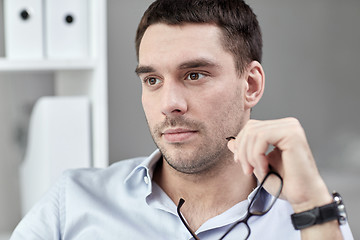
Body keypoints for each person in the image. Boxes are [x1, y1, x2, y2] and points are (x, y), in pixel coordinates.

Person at [11, 0, 353, 239]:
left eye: (194, 75)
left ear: (250, 85)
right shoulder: (71, 201)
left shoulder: (310, 219)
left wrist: (311, 206)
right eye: (152, 80)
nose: (169, 104)